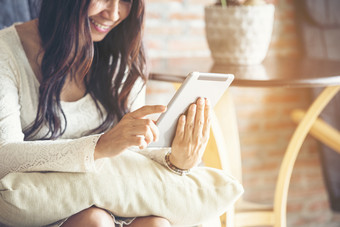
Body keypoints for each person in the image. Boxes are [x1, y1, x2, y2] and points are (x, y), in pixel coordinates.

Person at [0, 0, 211, 226]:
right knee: (94, 221)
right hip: (38, 207)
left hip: (111, 205)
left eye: (126, 1)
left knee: (156, 224)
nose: (113, 13)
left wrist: (174, 161)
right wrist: (98, 146)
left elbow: (131, 155)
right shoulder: (7, 52)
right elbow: (4, 157)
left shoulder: (124, 55)